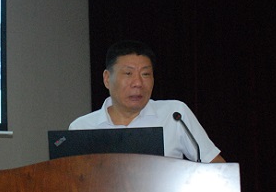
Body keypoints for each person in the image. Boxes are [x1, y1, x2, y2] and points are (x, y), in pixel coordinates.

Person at [69, 40, 225, 163]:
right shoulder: (82, 128)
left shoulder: (174, 114)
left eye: (145, 74)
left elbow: (217, 168)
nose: (138, 83)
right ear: (107, 79)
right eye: (128, 73)